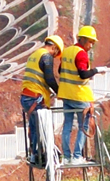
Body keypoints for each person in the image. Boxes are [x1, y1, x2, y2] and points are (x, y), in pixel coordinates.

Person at [58, 26, 107, 165]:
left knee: (67, 125)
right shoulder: (81, 54)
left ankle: (66, 157)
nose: (91, 45)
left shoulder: (67, 51)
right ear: (83, 39)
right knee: (83, 126)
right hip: (79, 96)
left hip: (66, 95)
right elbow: (83, 74)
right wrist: (97, 70)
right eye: (90, 42)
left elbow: (60, 70)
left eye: (93, 43)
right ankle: (77, 156)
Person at [21, 35, 64, 164]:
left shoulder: (34, 55)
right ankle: (41, 155)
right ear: (54, 47)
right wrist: (60, 92)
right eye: (56, 53)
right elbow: (50, 79)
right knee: (42, 128)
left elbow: (39, 78)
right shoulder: (46, 56)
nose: (54, 56)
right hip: (35, 98)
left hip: (27, 97)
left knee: (35, 128)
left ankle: (35, 154)